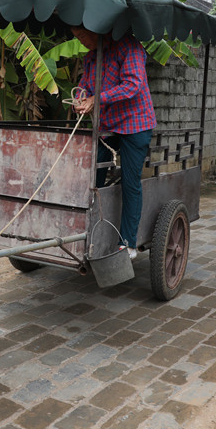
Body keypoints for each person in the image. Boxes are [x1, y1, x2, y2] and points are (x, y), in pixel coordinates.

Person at [71, 26, 156, 260]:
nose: (82, 41)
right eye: (77, 38)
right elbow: (85, 85)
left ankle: (127, 243)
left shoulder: (129, 46)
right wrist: (80, 98)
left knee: (130, 182)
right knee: (92, 178)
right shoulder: (92, 57)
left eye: (83, 36)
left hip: (135, 124)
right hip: (107, 126)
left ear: (96, 30)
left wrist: (97, 98)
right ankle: (90, 231)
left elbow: (132, 84)